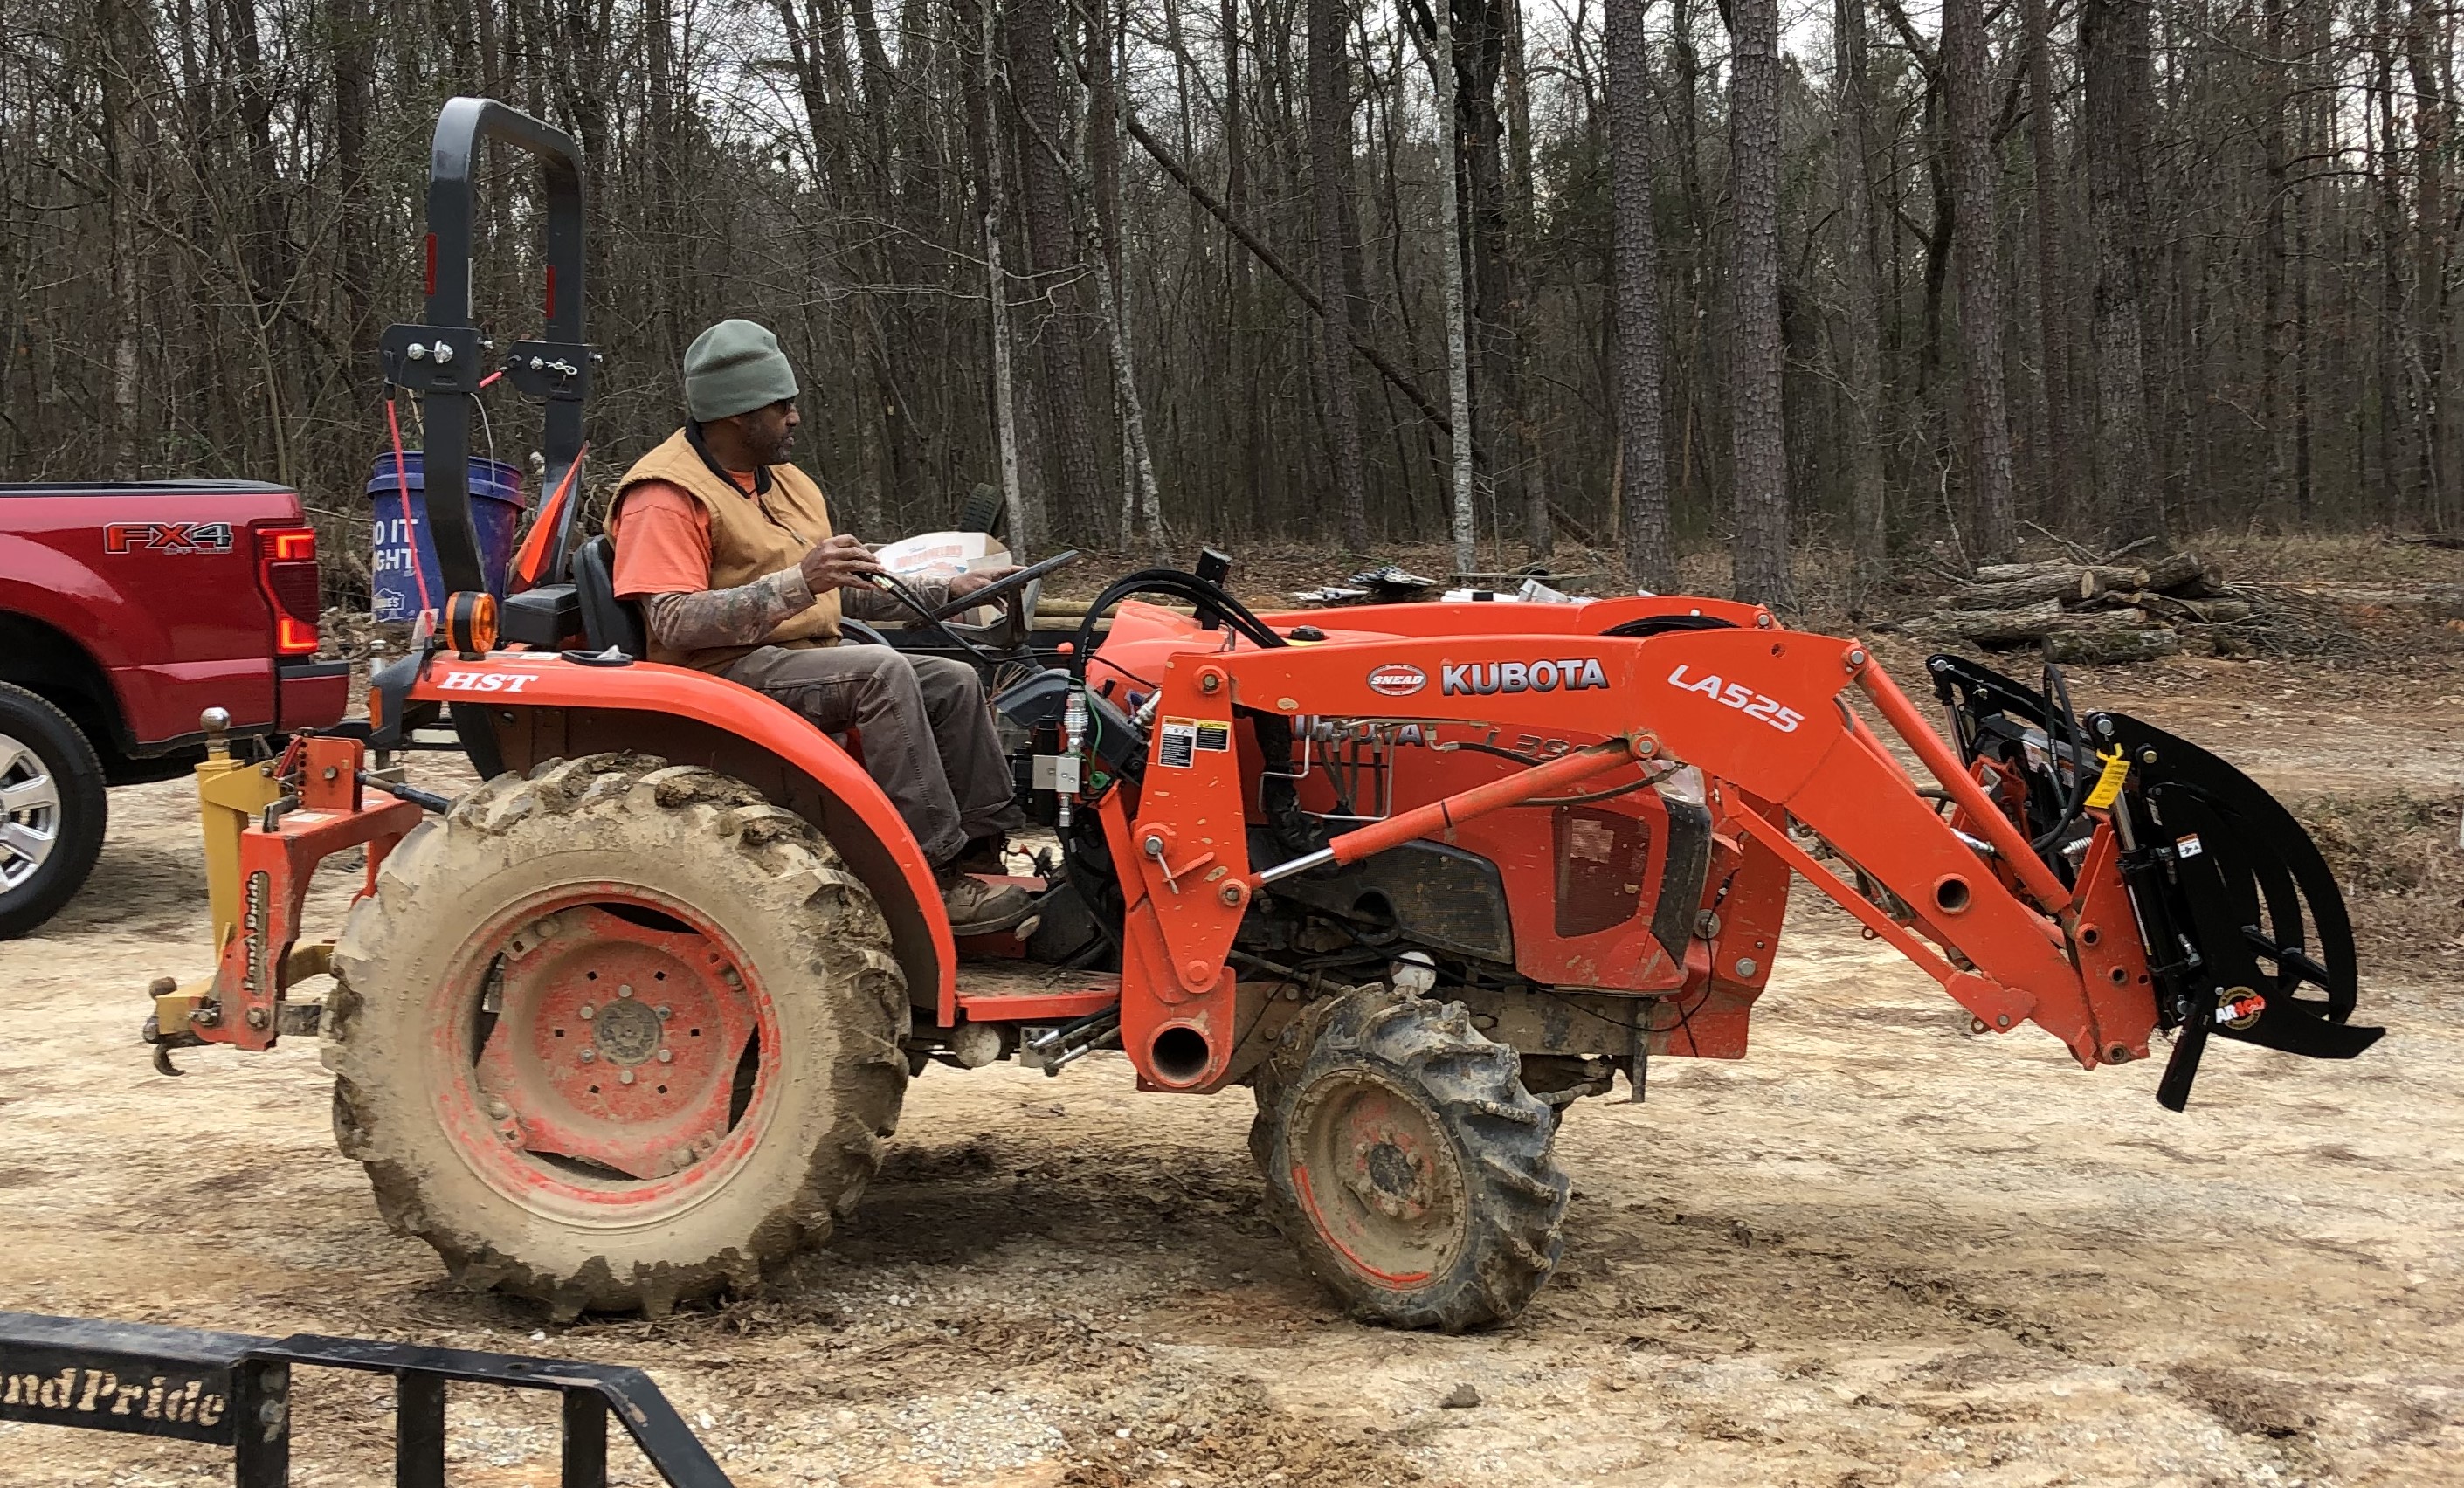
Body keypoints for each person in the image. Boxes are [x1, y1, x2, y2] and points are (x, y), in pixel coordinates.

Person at [610, 319, 1031, 932]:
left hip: (800, 656)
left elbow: (838, 592)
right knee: (880, 674)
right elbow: (672, 622)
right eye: (782, 405)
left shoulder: (787, 484)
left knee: (951, 680)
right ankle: (930, 880)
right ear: (735, 414)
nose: (795, 417)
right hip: (719, 676)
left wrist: (948, 593)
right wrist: (798, 581)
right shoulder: (665, 496)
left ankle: (980, 851)